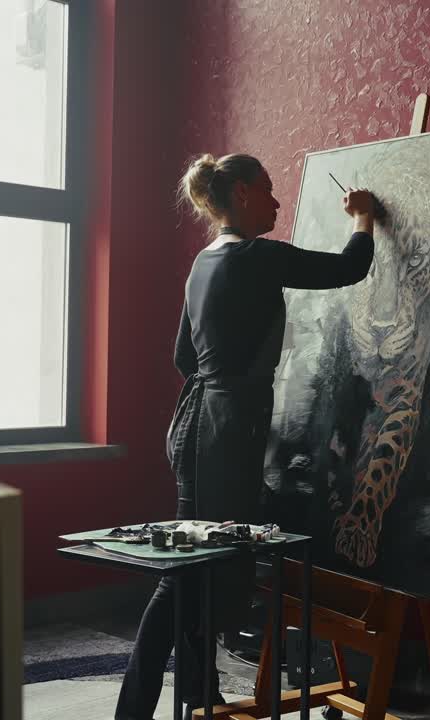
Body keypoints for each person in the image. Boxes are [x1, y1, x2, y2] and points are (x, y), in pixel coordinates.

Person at [114, 152, 377, 719]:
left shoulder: (203, 262)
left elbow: (184, 355)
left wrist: (225, 382)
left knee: (197, 568)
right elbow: (347, 268)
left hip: (196, 423)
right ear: (238, 194)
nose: (277, 203)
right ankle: (135, 710)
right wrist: (363, 218)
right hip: (224, 432)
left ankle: (199, 700)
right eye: (268, 190)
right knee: (190, 574)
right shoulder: (256, 258)